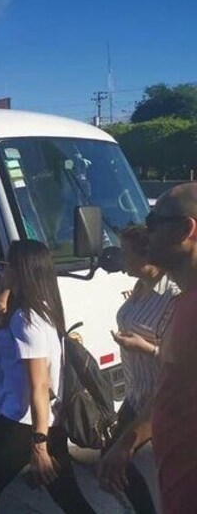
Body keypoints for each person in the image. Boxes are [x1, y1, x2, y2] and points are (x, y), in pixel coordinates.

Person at [0, 239, 95, 514]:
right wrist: (3, 286)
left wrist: (39, 445)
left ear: (21, 269)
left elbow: (39, 384)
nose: (3, 269)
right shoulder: (29, 310)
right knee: (67, 496)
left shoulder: (29, 320)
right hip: (36, 421)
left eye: (7, 265)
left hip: (25, 423)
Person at [104, 183, 197, 514]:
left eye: (154, 222)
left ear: (186, 229)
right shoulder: (185, 303)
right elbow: (170, 389)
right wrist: (126, 444)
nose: (147, 232)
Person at [98, 225, 178, 513]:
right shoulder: (139, 285)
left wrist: (145, 348)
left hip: (161, 399)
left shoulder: (173, 295)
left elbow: (181, 361)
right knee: (111, 457)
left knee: (159, 471)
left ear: (146, 255)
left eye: (125, 252)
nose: (121, 258)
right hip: (136, 394)